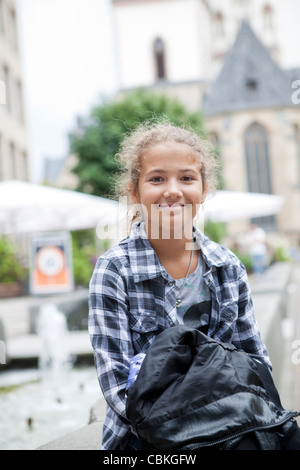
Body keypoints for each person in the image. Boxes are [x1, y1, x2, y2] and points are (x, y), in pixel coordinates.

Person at [88, 121, 275, 450]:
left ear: (203, 190)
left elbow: (257, 364)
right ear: (135, 192)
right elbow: (117, 386)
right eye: (157, 178)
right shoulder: (114, 271)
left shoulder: (227, 267)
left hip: (228, 431)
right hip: (145, 440)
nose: (172, 190)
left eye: (186, 178)